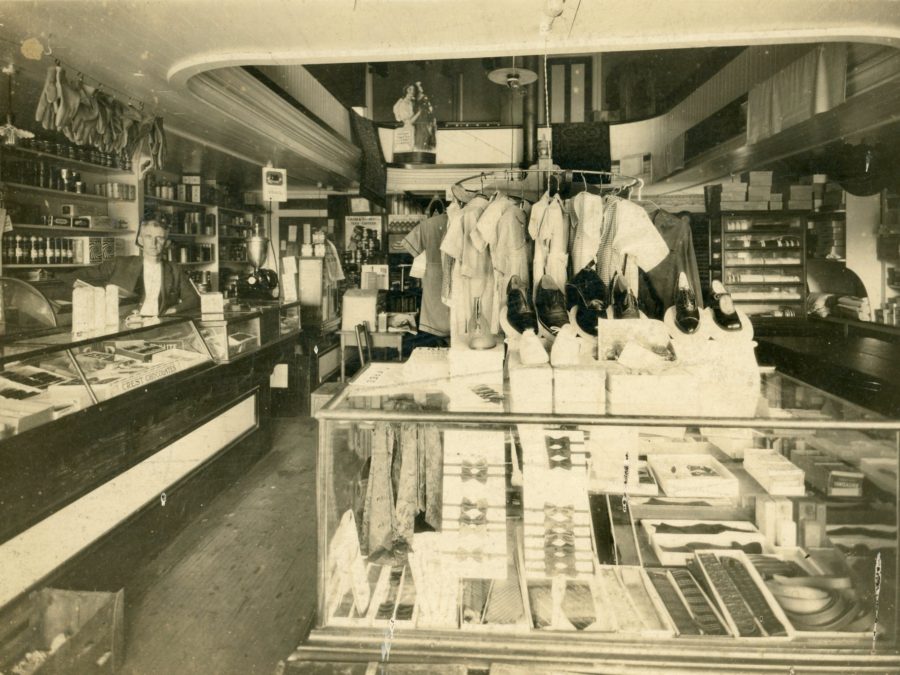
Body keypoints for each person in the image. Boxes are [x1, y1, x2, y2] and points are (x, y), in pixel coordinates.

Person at [63, 215, 200, 316]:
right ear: (140, 240)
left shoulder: (174, 269)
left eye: (160, 238)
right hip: (122, 328)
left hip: (158, 327)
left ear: (167, 243)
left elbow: (193, 299)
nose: (153, 243)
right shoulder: (119, 264)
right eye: (148, 237)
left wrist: (174, 309)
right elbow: (75, 278)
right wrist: (103, 297)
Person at [413, 81, 436, 150]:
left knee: (426, 133)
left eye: (420, 86)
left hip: (425, 118)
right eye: (418, 86)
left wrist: (432, 118)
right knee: (418, 135)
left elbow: (430, 108)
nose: (420, 88)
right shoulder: (414, 98)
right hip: (418, 119)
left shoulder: (424, 97)